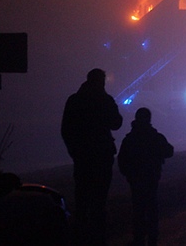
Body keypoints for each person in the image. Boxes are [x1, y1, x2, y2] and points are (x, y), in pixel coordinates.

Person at [61, 68, 123, 245]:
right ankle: (97, 237)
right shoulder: (105, 100)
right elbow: (116, 123)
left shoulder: (75, 100)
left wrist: (74, 152)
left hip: (82, 158)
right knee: (99, 200)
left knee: (82, 198)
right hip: (102, 157)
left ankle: (81, 235)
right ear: (101, 82)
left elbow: (66, 130)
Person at [118, 107, 174, 246]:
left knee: (138, 211)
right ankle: (152, 239)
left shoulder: (130, 139)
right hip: (151, 179)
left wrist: (129, 175)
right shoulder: (154, 137)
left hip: (135, 181)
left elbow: (121, 160)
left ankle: (139, 239)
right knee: (152, 210)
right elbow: (169, 151)